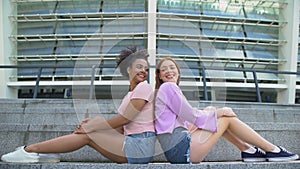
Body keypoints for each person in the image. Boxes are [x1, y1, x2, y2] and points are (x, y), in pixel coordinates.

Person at [1, 46, 156, 164]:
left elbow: (124, 119)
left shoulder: (144, 87)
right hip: (133, 144)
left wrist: (95, 126)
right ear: (128, 69)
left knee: (89, 134)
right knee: (88, 131)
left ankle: (30, 150)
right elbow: (121, 127)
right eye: (139, 67)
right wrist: (93, 124)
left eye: (146, 68)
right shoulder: (130, 94)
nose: (144, 71)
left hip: (140, 146)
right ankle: (46, 153)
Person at [154, 57, 299, 164]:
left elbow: (188, 119)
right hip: (182, 151)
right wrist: (220, 112)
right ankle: (273, 150)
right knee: (225, 118)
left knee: (212, 110)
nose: (169, 71)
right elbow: (193, 117)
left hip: (176, 149)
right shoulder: (168, 88)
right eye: (164, 69)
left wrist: (214, 111)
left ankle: (248, 150)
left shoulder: (166, 90)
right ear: (159, 75)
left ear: (178, 72)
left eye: (172, 67)